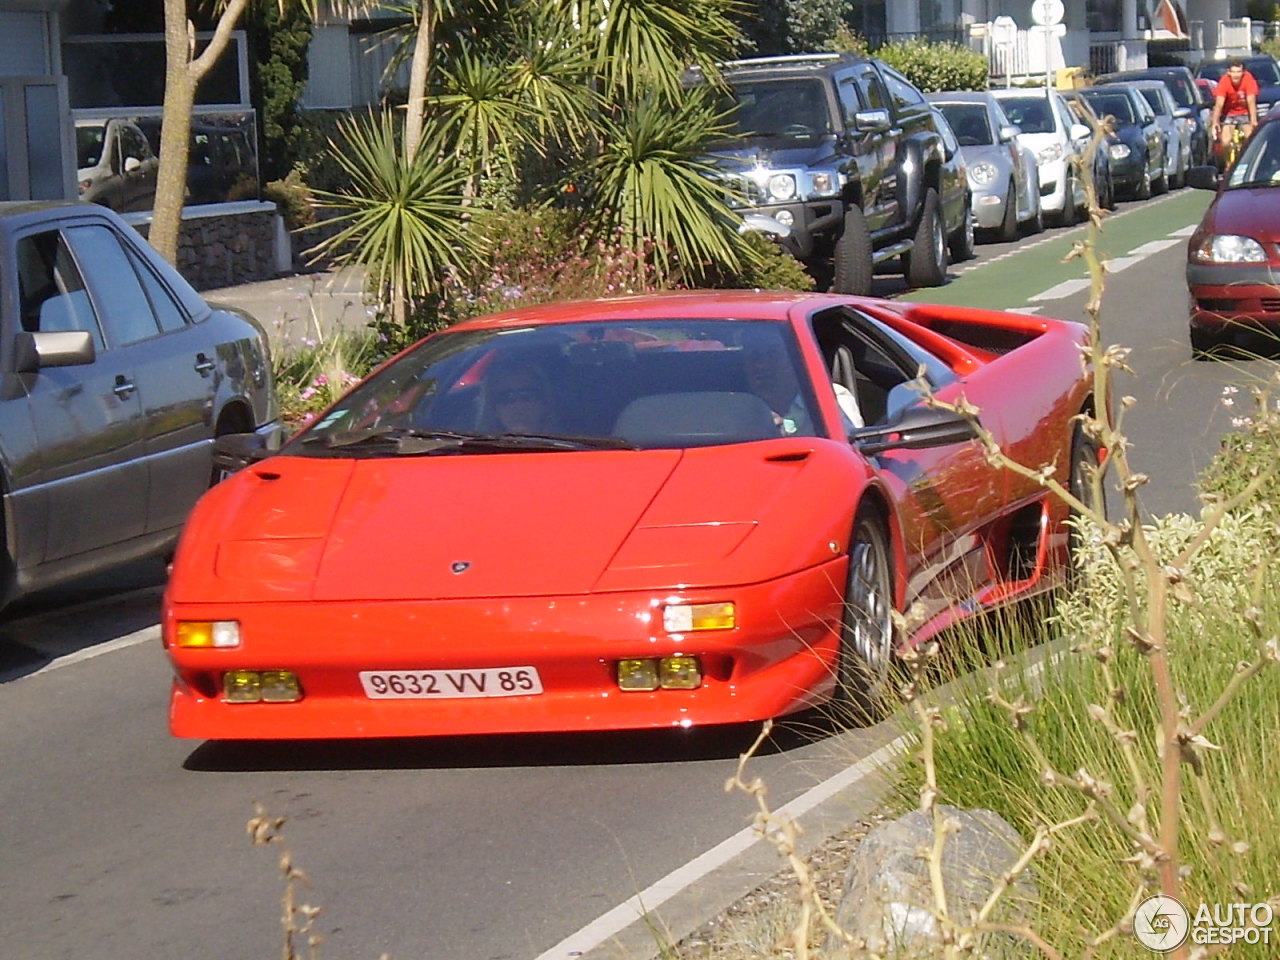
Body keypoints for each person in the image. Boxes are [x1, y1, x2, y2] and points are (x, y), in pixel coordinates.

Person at [484, 358, 559, 434]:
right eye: (507, 397)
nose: (518, 405)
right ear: (494, 409)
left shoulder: (567, 442)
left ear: (545, 404)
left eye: (528, 396)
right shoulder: (478, 444)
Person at [1210, 58, 1259, 161]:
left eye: (1239, 72)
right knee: (1225, 142)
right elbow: (1219, 103)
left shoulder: (1248, 79)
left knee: (1250, 138)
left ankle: (1247, 160)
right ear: (1228, 72)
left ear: (1243, 72)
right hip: (1228, 113)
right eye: (1233, 72)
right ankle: (1228, 164)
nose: (1236, 75)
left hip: (1245, 112)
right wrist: (1215, 121)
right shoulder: (1224, 81)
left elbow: (1251, 101)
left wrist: (1253, 120)